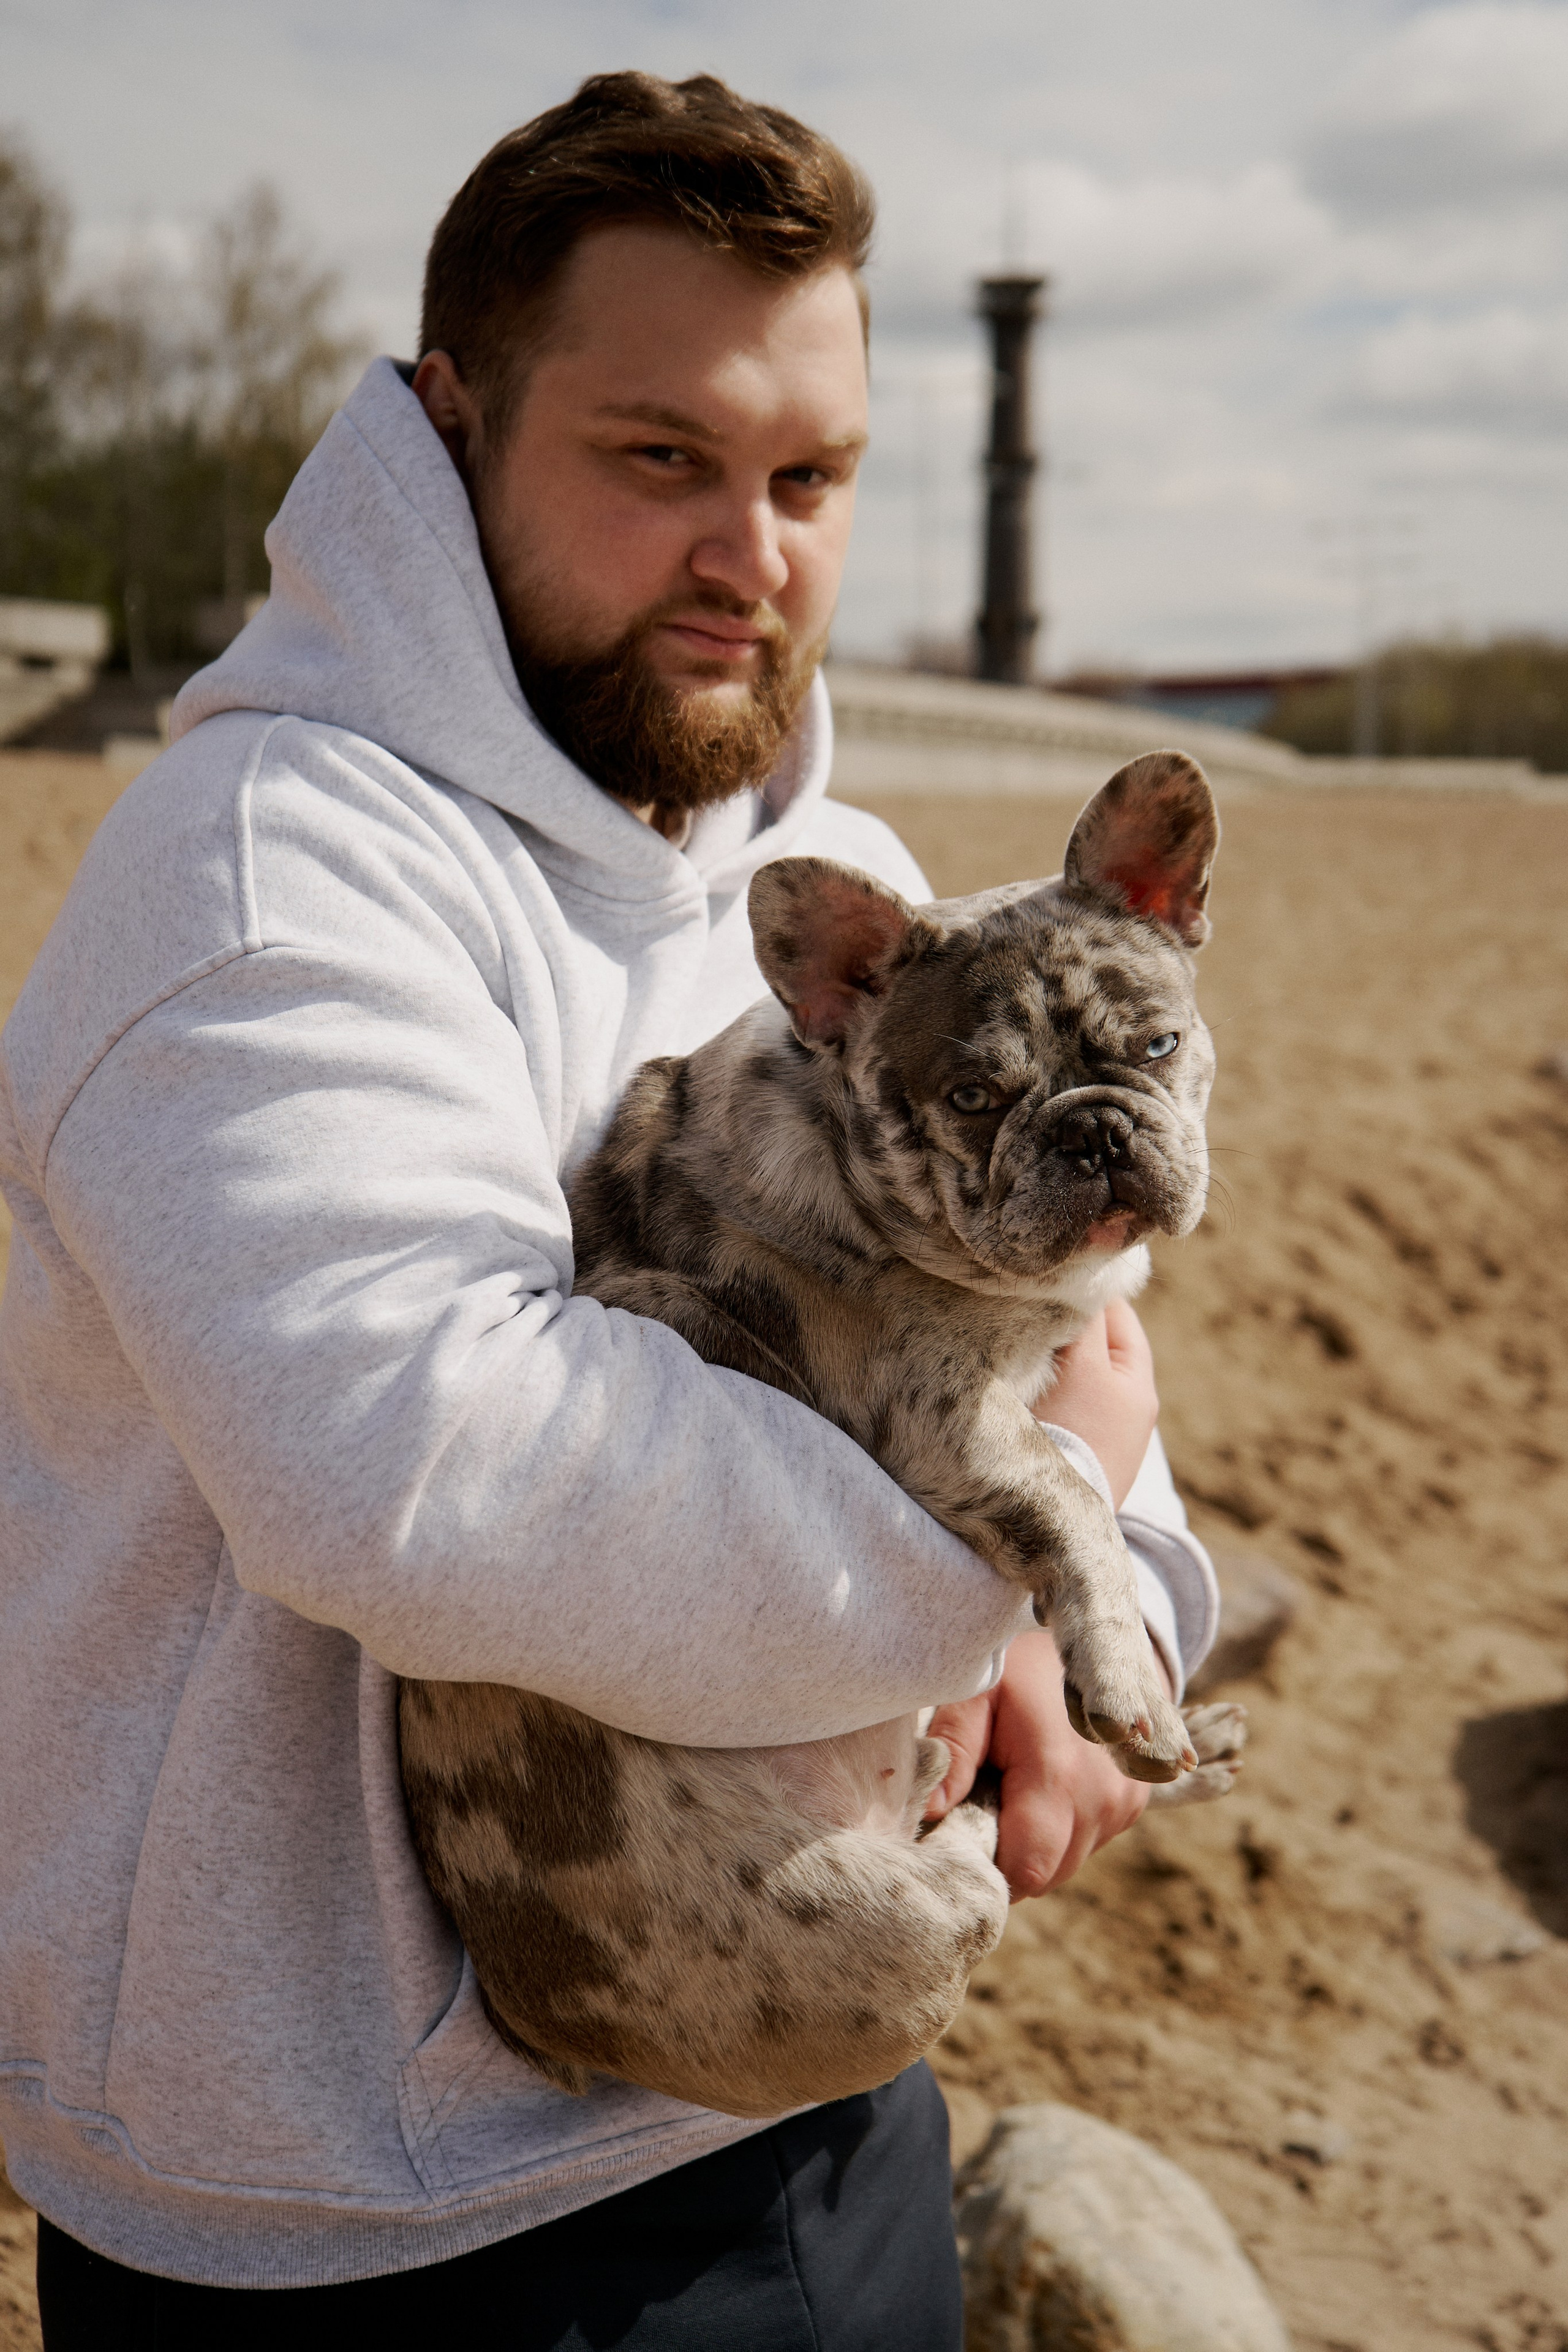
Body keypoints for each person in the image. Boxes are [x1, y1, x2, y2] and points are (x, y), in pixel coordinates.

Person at [0, 72, 1216, 2351]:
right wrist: (1025, 1596)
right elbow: (434, 1470)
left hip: (816, 2069)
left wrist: (1123, 1585)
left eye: (808, 477)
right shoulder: (281, 875)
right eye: (659, 458)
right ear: (454, 423)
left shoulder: (787, 880)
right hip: (393, 2200)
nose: (750, 554)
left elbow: (1019, 1308)